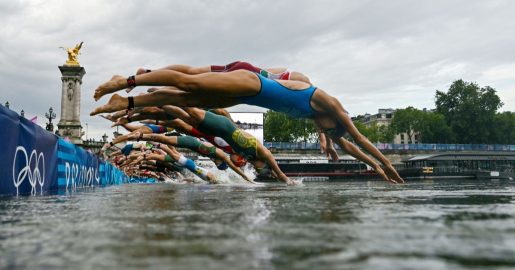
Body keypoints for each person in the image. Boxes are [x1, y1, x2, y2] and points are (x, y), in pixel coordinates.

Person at [91, 66, 403, 183]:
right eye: (333, 133)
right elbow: (360, 139)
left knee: (187, 97)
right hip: (253, 83)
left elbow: (350, 145)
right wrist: (386, 163)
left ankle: (128, 103)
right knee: (188, 85)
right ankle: (126, 83)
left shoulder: (325, 124)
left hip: (248, 96)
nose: (335, 137)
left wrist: (374, 168)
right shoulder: (328, 104)